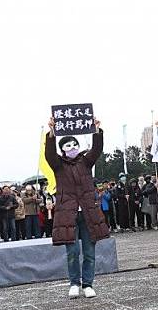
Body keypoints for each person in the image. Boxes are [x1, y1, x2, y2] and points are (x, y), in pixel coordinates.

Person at [45, 117, 110, 299]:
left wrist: (96, 130)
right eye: (67, 145)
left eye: (74, 144)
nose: (72, 148)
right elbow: (49, 154)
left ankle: (88, 284)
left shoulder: (85, 161)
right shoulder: (58, 165)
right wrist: (51, 133)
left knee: (89, 251)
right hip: (68, 214)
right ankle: (74, 283)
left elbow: (97, 149)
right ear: (62, 149)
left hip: (88, 212)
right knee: (72, 252)